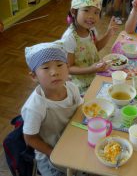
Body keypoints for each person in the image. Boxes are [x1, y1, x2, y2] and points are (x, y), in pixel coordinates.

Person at [22, 41, 83, 176]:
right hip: (50, 153)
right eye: (45, 68)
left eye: (60, 65)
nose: (54, 72)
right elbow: (30, 138)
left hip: (71, 138)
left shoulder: (72, 88)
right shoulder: (35, 107)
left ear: (67, 67)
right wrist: (53, 152)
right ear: (34, 76)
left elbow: (80, 108)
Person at [62, 0, 118, 94]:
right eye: (86, 10)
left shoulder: (91, 30)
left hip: (95, 74)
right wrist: (91, 69)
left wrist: (109, 34)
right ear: (74, 11)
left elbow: (96, 47)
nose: (91, 16)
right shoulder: (69, 38)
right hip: (80, 85)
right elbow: (69, 68)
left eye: (96, 12)